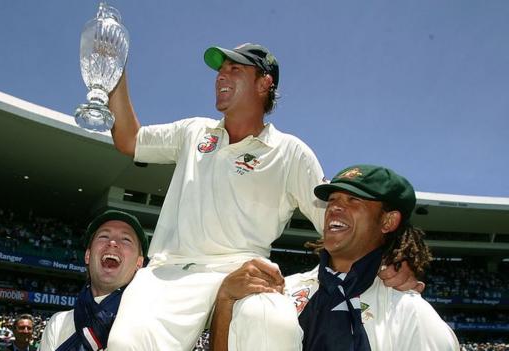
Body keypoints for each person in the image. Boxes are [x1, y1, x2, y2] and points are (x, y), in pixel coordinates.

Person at [106, 43, 419, 350]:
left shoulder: (291, 152)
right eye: (220, 70)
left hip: (245, 270)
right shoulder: (194, 132)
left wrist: (391, 257)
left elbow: (337, 223)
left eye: (234, 69)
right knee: (125, 343)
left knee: (275, 326)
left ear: (264, 83)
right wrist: (114, 71)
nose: (221, 76)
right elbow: (129, 139)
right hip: (169, 273)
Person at [211, 164, 459, 350]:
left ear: (388, 221)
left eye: (353, 200)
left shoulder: (410, 313)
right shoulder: (281, 291)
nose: (335, 207)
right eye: (332, 200)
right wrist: (225, 300)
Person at [38, 210, 147, 351]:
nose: (113, 243)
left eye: (126, 239)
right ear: (88, 255)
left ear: (139, 263)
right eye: (104, 236)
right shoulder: (58, 324)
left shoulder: (153, 326)